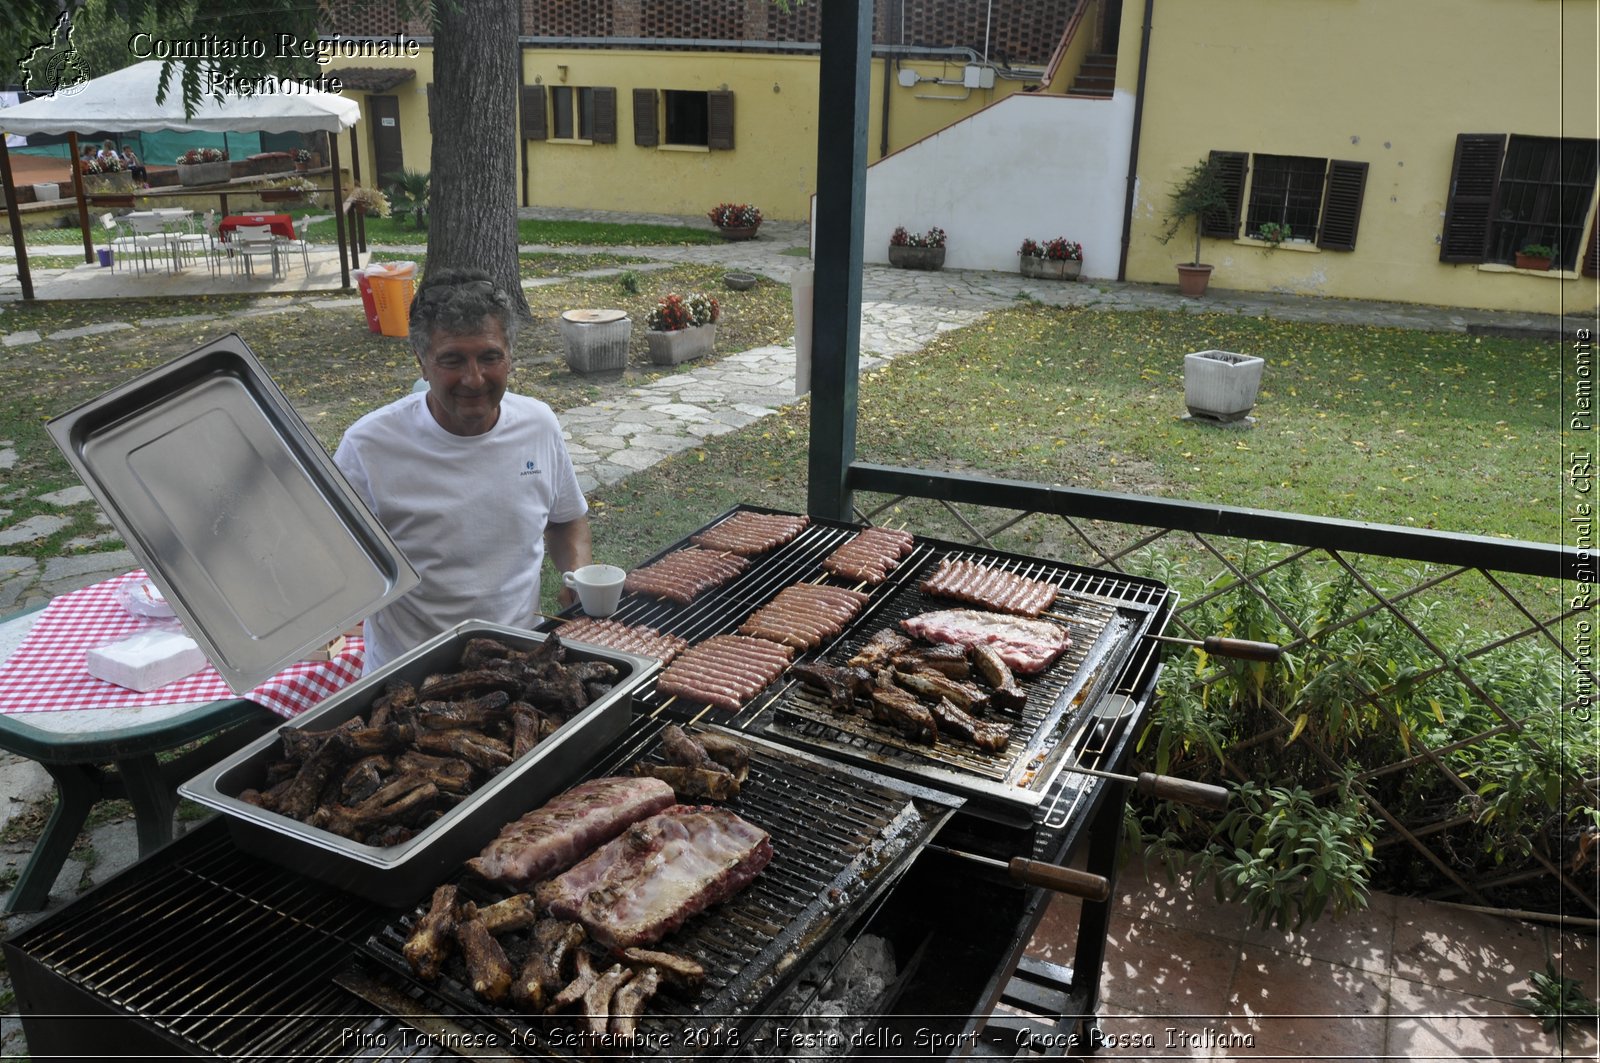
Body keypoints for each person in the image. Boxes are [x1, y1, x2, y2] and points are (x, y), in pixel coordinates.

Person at [333, 269, 593, 674]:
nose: (474, 379)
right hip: (409, 678)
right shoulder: (368, 446)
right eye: (452, 360)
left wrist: (575, 575)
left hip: (518, 666)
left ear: (510, 355)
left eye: (490, 357)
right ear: (421, 362)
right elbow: (336, 565)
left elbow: (565, 521)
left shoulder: (538, 424)